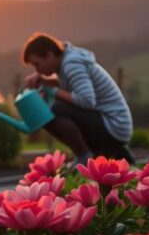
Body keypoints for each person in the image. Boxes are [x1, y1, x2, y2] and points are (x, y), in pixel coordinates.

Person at [21, 32, 134, 165]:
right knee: (56, 107)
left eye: (37, 64)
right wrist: (45, 81)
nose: (37, 70)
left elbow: (87, 100)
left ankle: (85, 157)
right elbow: (69, 84)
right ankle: (107, 153)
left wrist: (52, 91)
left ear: (50, 55)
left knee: (54, 110)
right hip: (114, 125)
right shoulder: (66, 61)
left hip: (114, 126)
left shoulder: (71, 65)